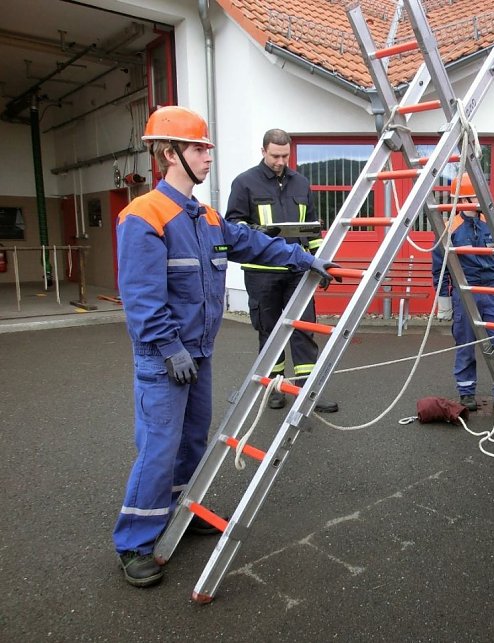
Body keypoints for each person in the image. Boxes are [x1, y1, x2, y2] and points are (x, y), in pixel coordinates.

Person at [113, 106, 339, 588]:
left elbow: (254, 243)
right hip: (164, 357)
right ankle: (133, 541)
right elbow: (141, 296)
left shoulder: (206, 217)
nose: (208, 157)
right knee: (158, 447)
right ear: (169, 154)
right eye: (199, 149)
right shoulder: (145, 215)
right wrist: (168, 347)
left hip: (196, 353)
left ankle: (178, 512)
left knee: (194, 442)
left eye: (208, 149)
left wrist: (304, 257)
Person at [225, 129, 338, 412]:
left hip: (299, 270)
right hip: (262, 271)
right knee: (270, 330)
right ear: (263, 151)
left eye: (285, 155)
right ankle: (273, 388)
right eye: (275, 156)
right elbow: (234, 227)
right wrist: (258, 232)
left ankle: (306, 391)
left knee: (303, 330)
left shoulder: (300, 183)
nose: (280, 161)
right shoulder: (244, 183)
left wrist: (319, 261)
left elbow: (312, 229)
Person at [432, 173, 494, 413]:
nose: (482, 199)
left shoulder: (490, 224)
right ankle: (466, 393)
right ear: (464, 198)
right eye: (476, 195)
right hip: (465, 293)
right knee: (465, 344)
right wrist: (444, 299)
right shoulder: (450, 229)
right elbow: (439, 266)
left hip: (490, 292)